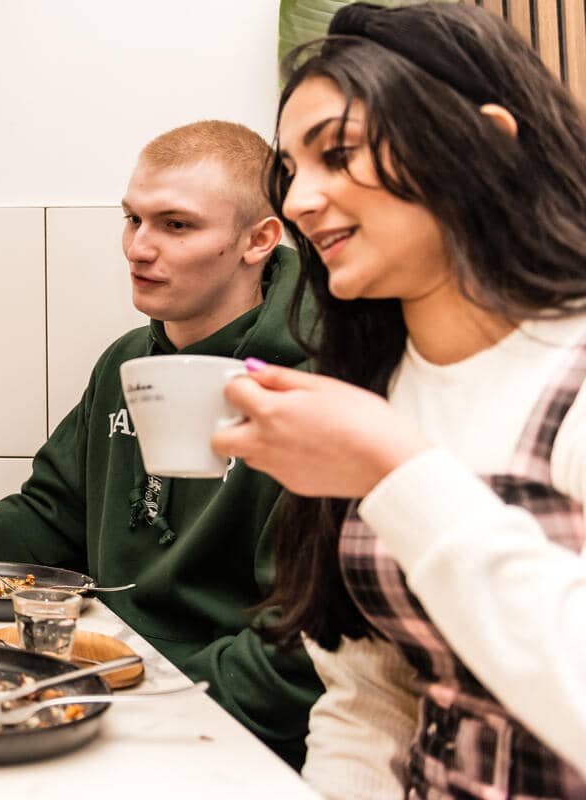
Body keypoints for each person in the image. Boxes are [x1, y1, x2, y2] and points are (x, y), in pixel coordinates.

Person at [0, 120, 323, 766]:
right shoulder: (123, 365)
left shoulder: (313, 386)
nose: (139, 247)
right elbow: (53, 516)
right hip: (102, 685)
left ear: (259, 241)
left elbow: (299, 657)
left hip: (221, 733)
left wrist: (145, 692)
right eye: (132, 220)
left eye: (176, 225)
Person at [210, 4, 586, 797]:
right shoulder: (372, 383)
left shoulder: (567, 374)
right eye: (291, 169)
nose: (301, 201)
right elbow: (369, 700)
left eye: (337, 154)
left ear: (484, 143)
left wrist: (397, 467)